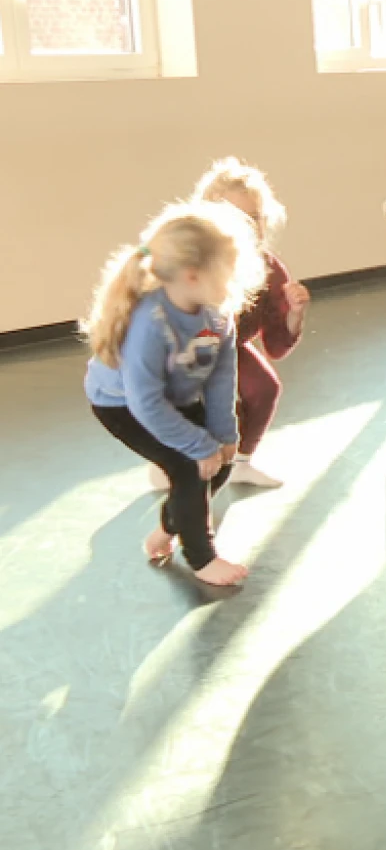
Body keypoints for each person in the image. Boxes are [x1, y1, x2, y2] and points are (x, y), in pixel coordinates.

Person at [84, 200, 266, 587]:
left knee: (219, 464)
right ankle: (201, 558)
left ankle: (169, 528)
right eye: (229, 271)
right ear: (192, 276)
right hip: (123, 405)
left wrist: (224, 434)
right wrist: (197, 445)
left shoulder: (217, 313)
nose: (236, 281)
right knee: (188, 468)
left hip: (172, 399)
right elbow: (144, 401)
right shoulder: (152, 323)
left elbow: (220, 376)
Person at [142, 159, 309, 491]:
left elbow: (276, 345)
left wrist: (295, 313)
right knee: (194, 399)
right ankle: (171, 460)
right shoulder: (196, 266)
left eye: (254, 218)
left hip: (228, 346)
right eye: (235, 218)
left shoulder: (269, 268)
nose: (247, 227)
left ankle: (240, 462)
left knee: (264, 387)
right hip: (185, 348)